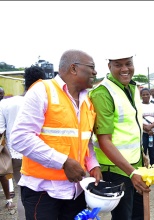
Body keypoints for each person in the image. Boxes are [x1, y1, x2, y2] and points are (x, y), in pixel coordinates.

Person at [10, 49, 102, 219]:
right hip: (43, 191)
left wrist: (92, 165)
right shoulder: (42, 91)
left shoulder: (86, 101)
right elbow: (20, 137)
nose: (95, 72)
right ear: (73, 68)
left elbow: (84, 140)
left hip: (76, 190)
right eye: (91, 67)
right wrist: (63, 162)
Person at [89, 52, 150, 220]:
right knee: (123, 216)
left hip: (134, 165)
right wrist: (131, 173)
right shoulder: (102, 93)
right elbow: (104, 140)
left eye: (128, 63)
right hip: (117, 169)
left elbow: (130, 127)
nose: (125, 69)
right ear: (109, 67)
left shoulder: (131, 88)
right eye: (118, 65)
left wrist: (141, 155)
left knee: (138, 214)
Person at [0, 66, 46, 219]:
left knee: (22, 192)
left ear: (24, 82)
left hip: (14, 154)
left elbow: (0, 131)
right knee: (41, 194)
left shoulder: (6, 103)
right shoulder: (45, 101)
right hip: (39, 154)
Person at [0, 87, 16, 211]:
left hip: (4, 143)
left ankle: (9, 196)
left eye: (2, 94)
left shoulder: (4, 105)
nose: (1, 96)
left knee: (5, 171)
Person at [141, 88, 154, 177]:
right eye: (143, 94)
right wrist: (146, 128)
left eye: (147, 94)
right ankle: (144, 175)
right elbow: (136, 119)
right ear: (140, 96)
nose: (145, 96)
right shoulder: (138, 106)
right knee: (143, 154)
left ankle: (153, 175)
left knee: (153, 154)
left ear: (150, 95)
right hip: (142, 134)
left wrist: (150, 127)